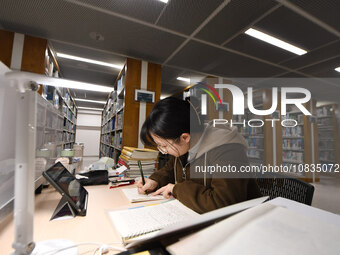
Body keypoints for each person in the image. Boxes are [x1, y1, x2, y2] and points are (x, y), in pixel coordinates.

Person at [137, 97, 262, 213]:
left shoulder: (228, 150)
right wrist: (155, 180)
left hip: (241, 223)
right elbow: (169, 170)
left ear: (185, 137)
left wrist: (177, 189)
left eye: (164, 146)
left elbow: (223, 203)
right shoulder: (182, 147)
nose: (162, 150)